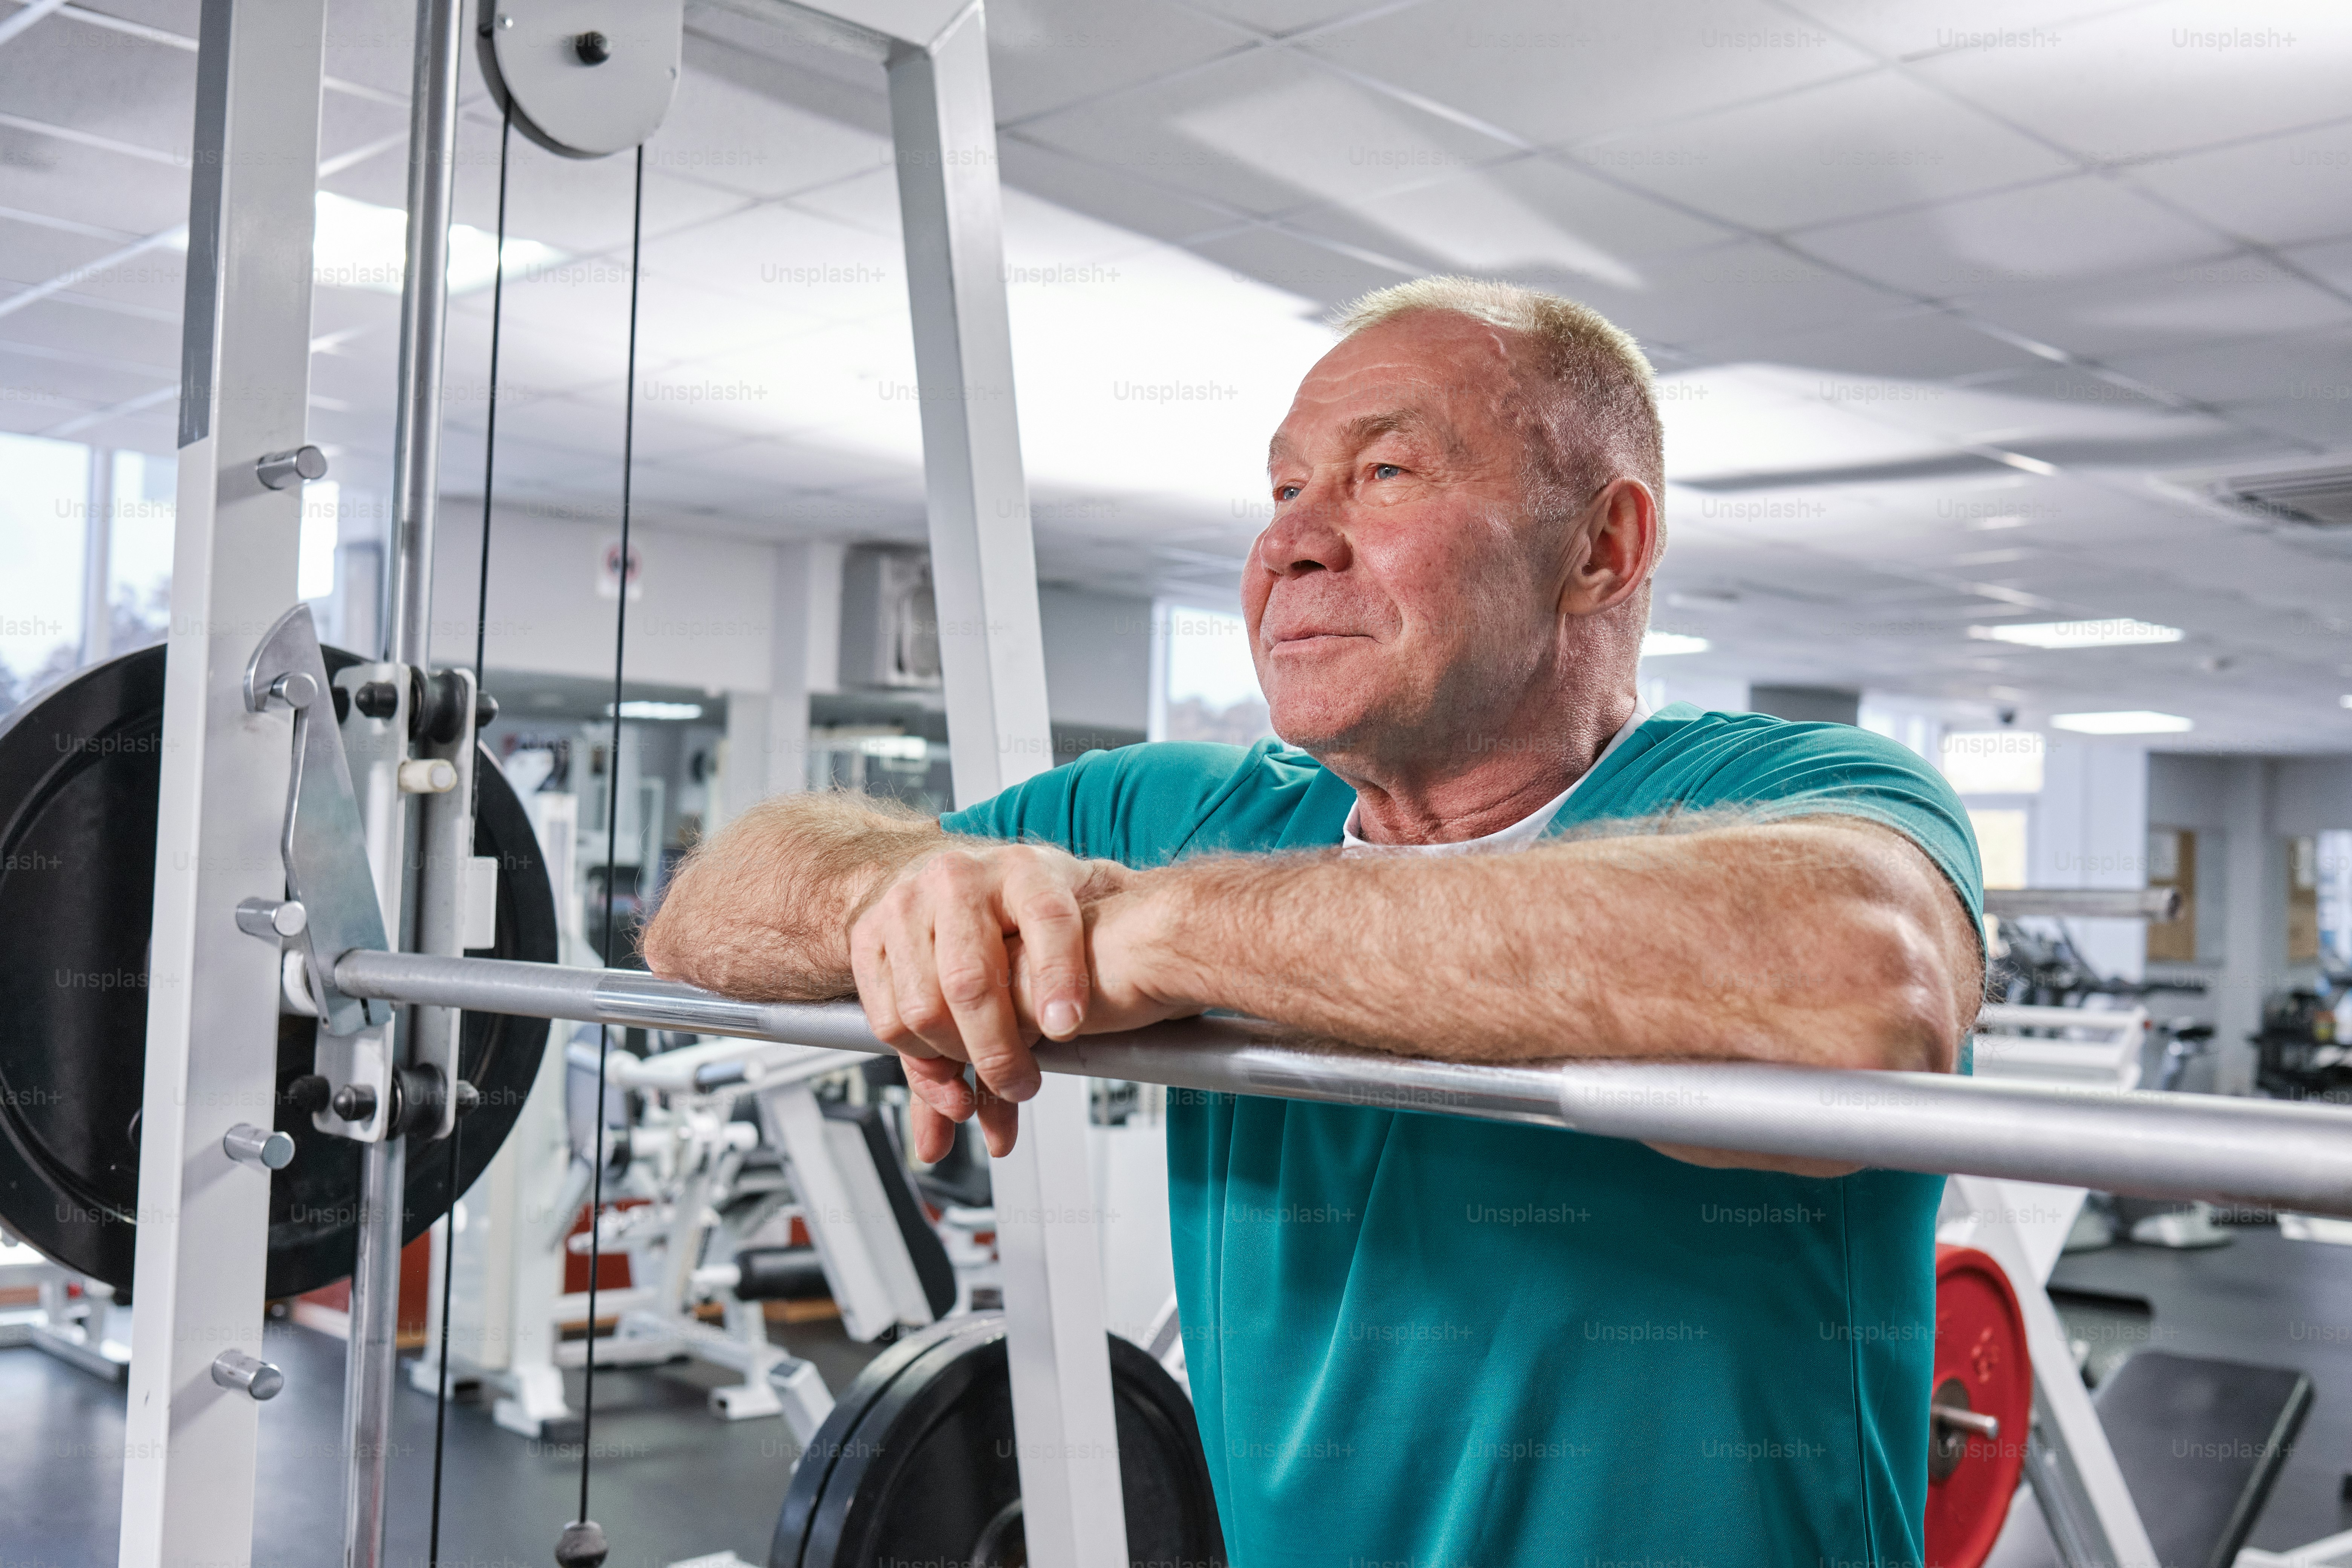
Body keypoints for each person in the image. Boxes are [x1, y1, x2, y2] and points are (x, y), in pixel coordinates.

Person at [644, 276, 1984, 1566]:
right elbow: (710, 909)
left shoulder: (1788, 796)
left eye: (1386, 475)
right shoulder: (1182, 805)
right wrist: (899, 898)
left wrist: (1159, 934)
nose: (1292, 539)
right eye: (1285, 487)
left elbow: (1859, 990)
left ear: (1601, 547)